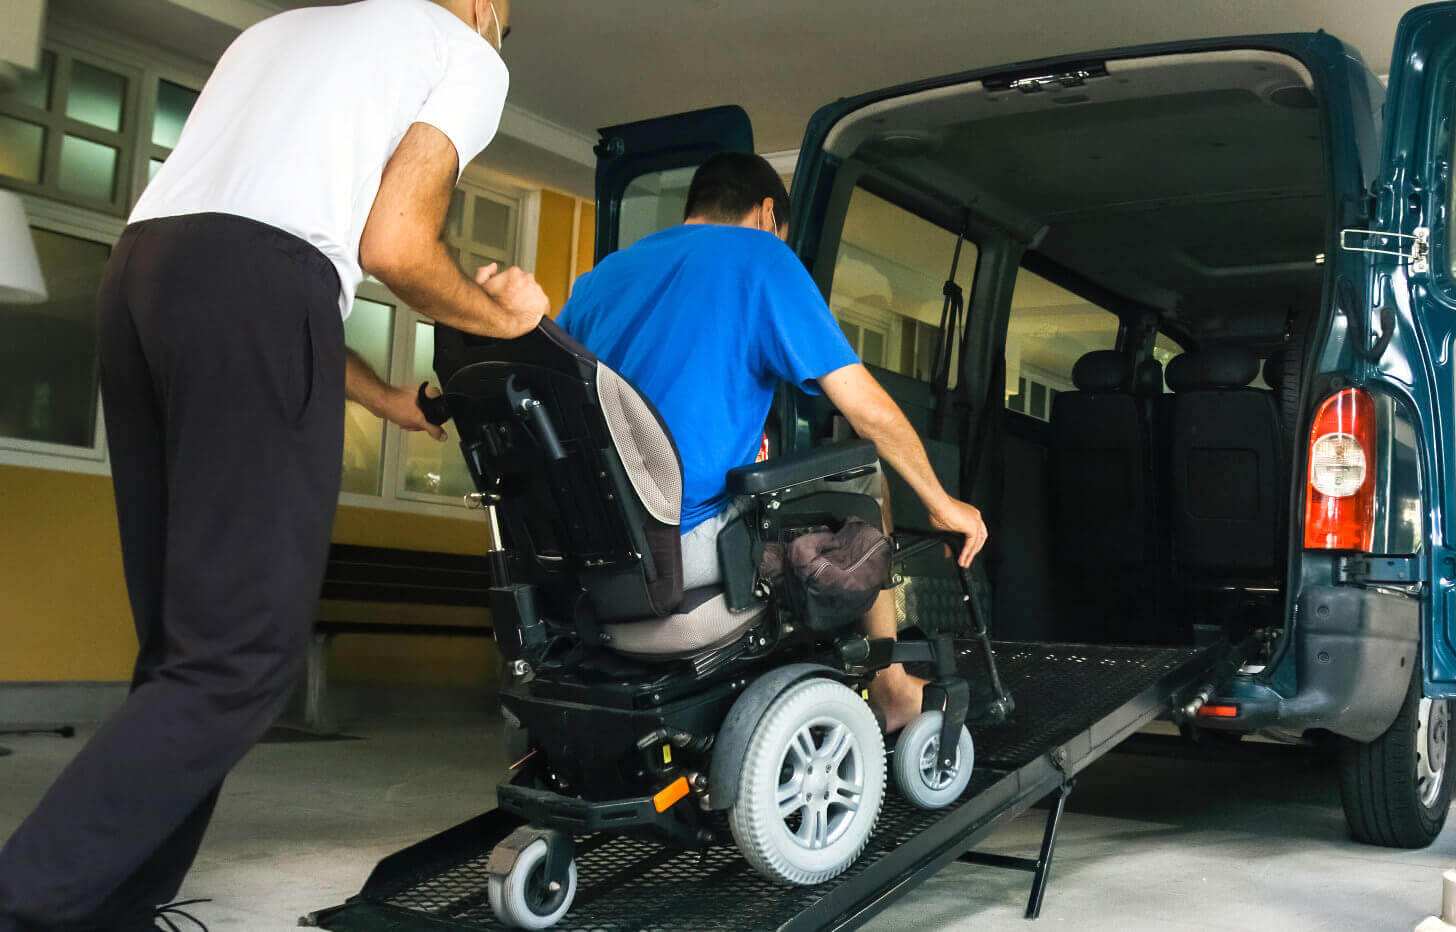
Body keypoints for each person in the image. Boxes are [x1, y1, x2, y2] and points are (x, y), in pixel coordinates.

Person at [0, 2, 547, 928]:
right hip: (251, 289)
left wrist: (385, 399)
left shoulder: (277, 33)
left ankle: (109, 909)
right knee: (238, 660)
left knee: (185, 655)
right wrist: (508, 318)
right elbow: (391, 247)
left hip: (141, 277)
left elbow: (242, 245)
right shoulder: (466, 51)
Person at [557, 153, 989, 732]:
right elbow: (866, 410)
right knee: (865, 473)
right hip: (686, 544)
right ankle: (890, 690)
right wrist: (942, 503)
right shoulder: (762, 256)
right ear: (768, 214)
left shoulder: (600, 279)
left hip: (599, 553)